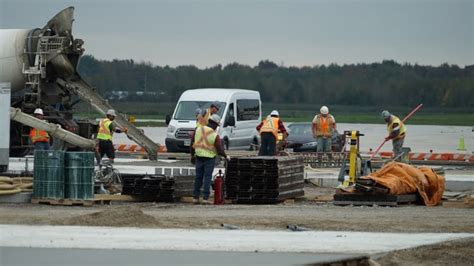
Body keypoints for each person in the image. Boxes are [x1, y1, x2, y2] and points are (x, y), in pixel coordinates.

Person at [190, 114, 229, 204]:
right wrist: (226, 156)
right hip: (209, 158)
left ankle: (195, 198)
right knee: (207, 178)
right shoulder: (215, 135)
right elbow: (219, 149)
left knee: (198, 177)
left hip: (198, 157)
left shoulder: (198, 130)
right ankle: (205, 198)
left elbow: (192, 143)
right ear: (215, 124)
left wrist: (192, 155)